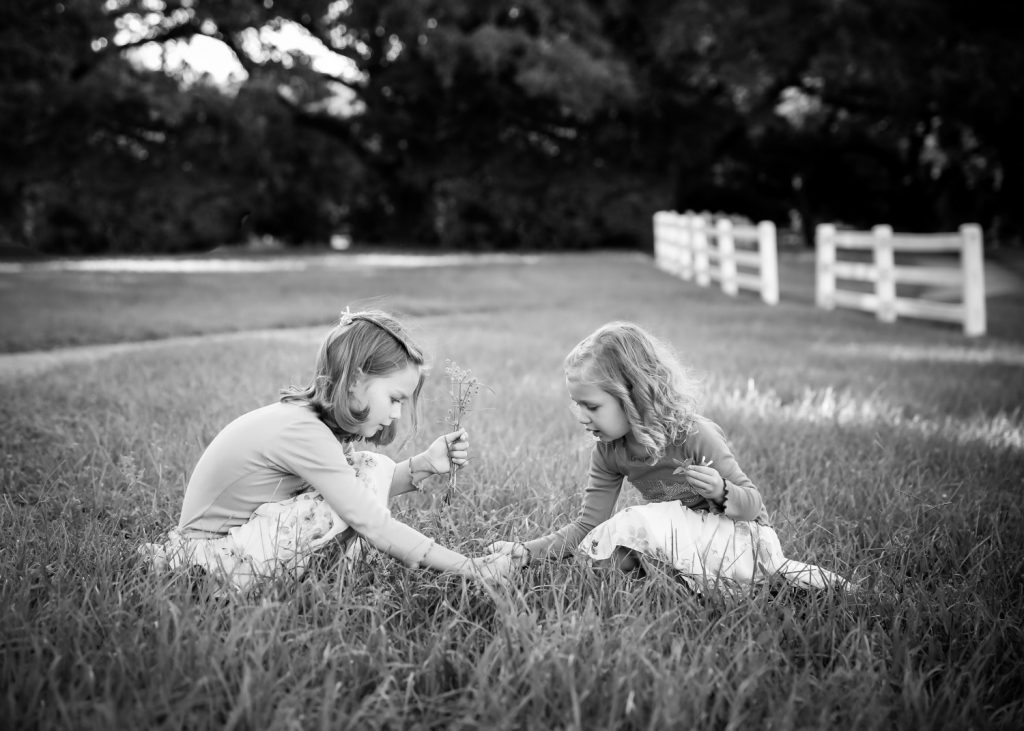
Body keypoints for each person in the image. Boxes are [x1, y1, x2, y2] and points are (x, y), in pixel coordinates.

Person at [140, 308, 515, 592]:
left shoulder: (309, 424)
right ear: (355, 381)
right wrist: (470, 568)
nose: (397, 412)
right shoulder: (304, 432)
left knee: (362, 469)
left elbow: (357, 491)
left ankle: (324, 576)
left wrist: (427, 464)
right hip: (210, 563)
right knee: (358, 483)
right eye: (395, 398)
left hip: (227, 549)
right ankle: (317, 581)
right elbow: (372, 521)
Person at [487, 321, 849, 593]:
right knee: (606, 557)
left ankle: (773, 582)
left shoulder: (692, 434)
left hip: (742, 540)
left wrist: (723, 492)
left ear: (632, 394)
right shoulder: (610, 451)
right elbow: (587, 527)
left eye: (592, 406)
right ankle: (673, 595)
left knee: (633, 522)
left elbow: (753, 506)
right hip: (688, 546)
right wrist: (526, 552)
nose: (581, 417)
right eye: (577, 405)